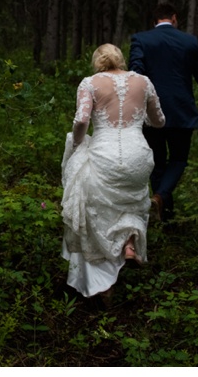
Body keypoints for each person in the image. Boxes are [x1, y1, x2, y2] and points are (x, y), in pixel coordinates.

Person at [61, 43, 165, 301]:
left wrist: (76, 145)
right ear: (121, 59)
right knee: (131, 202)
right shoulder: (143, 81)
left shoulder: (89, 83)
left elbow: (82, 120)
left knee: (95, 211)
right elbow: (160, 121)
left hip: (104, 155)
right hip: (138, 155)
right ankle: (129, 245)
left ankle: (101, 283)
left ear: (97, 61)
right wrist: (140, 119)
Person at [128, 3, 198, 223]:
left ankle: (163, 212)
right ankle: (161, 203)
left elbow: (135, 74)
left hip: (150, 113)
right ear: (175, 18)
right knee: (178, 160)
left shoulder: (141, 40)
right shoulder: (190, 42)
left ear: (155, 21)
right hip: (181, 112)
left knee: (157, 163)